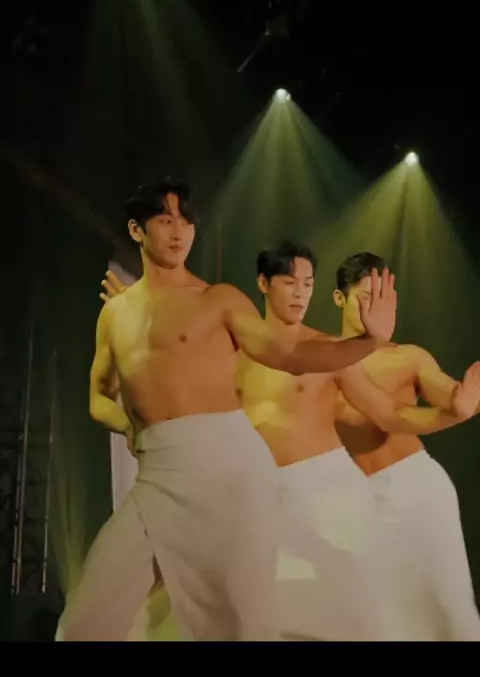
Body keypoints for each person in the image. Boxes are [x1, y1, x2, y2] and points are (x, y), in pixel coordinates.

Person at [57, 180, 400, 642]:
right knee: (85, 622)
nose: (179, 231)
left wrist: (369, 342)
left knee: (240, 623)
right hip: (158, 475)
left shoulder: (217, 299)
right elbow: (99, 396)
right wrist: (129, 427)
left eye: (186, 221)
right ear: (137, 230)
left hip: (228, 469)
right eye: (165, 220)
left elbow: (290, 354)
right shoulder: (115, 314)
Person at [98, 237, 480, 641]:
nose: (300, 293)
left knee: (369, 612)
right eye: (289, 283)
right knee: (233, 607)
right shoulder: (233, 352)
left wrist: (453, 412)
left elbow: (390, 414)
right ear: (263, 284)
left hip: (327, 491)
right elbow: (175, 376)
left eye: (307, 284)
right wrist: (141, 319)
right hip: (259, 493)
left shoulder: (328, 353)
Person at [333, 251, 480, 640]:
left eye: (382, 299)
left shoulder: (407, 357)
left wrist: (462, 401)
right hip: (355, 502)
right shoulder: (321, 362)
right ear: (339, 298)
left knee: (447, 606)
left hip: (415, 489)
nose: (373, 308)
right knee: (379, 615)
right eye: (365, 297)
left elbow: (449, 393)